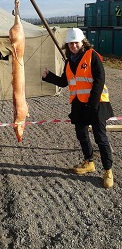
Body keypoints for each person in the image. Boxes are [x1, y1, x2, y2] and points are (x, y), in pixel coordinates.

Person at [42, 28, 114, 188]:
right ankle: (89, 162)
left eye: (76, 42)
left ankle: (108, 170)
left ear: (83, 42)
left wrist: (92, 105)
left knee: (100, 138)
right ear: (67, 45)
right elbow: (64, 82)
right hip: (79, 105)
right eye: (70, 43)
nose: (74, 45)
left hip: (96, 104)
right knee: (82, 135)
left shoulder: (92, 56)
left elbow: (99, 81)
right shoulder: (69, 62)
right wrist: (48, 76)